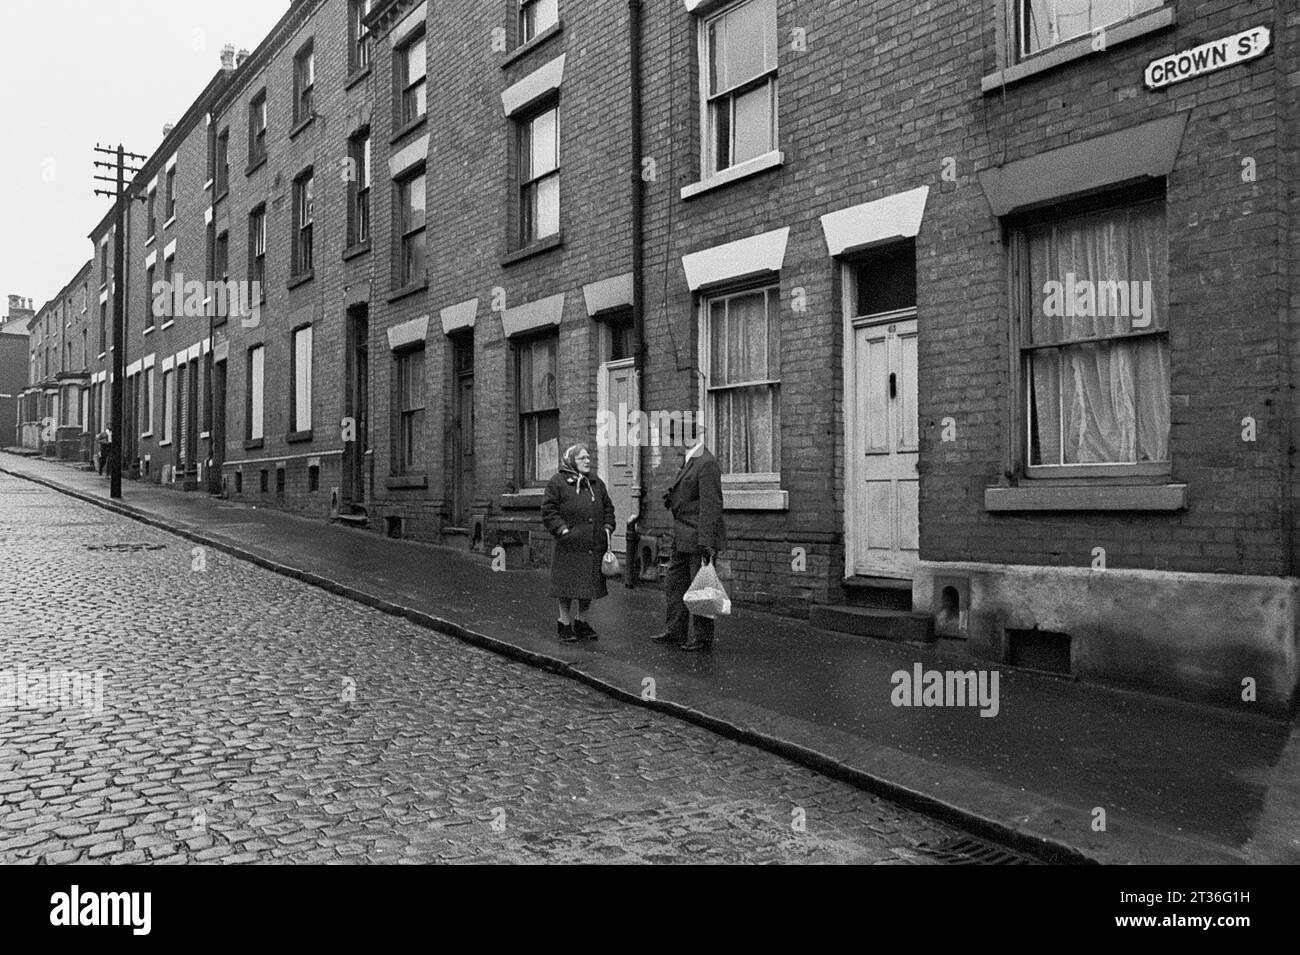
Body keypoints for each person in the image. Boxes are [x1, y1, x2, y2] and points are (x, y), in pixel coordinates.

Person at [649, 421, 726, 651]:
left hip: (698, 538)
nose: (674, 444)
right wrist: (672, 497)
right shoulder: (691, 461)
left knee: (701, 588)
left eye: (675, 438)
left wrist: (707, 543)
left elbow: (711, 505)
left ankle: (702, 639)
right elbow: (690, 495)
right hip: (682, 536)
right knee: (675, 585)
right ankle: (675, 631)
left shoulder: (706, 462)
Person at [541, 444, 616, 643]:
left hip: (592, 546)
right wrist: (562, 530)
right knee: (566, 588)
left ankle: (581, 622)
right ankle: (564, 623)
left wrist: (608, 525)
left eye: (588, 458)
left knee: (587, 587)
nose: (587, 461)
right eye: (582, 458)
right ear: (572, 461)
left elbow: (608, 507)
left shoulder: (596, 483)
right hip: (569, 546)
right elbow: (549, 511)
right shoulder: (558, 482)